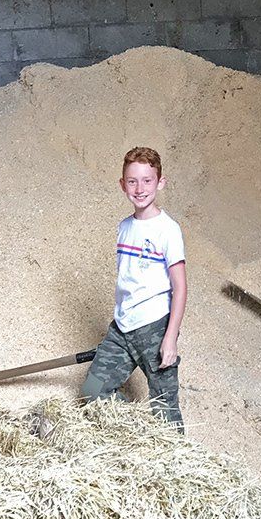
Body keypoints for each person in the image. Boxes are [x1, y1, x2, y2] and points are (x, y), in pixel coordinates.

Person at [81, 146, 186, 431]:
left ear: (160, 183)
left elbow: (180, 288)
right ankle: (140, 436)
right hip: (122, 328)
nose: (140, 189)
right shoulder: (124, 227)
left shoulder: (168, 230)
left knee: (165, 405)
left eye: (147, 180)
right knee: (93, 392)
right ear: (122, 185)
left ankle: (172, 451)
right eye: (132, 181)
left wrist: (170, 337)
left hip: (154, 328)